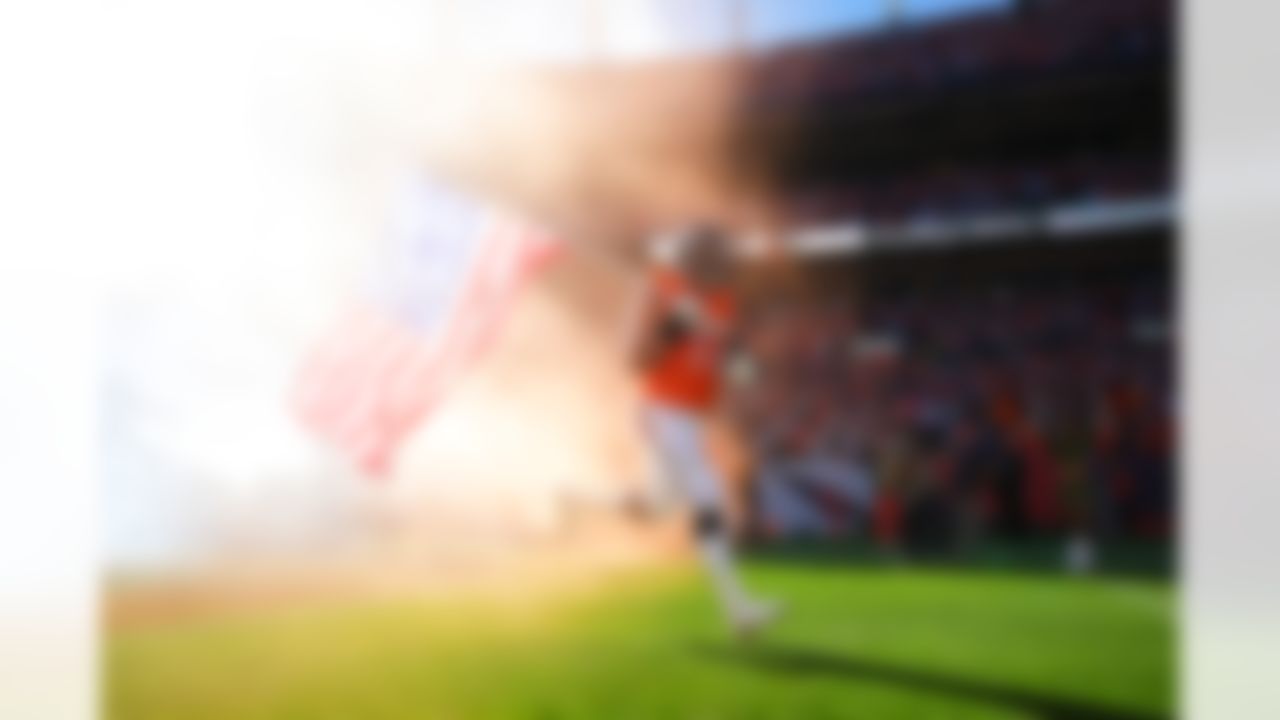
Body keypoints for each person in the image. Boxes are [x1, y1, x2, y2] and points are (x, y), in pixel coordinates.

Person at [626, 223, 780, 638]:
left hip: (691, 416)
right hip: (662, 410)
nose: (727, 265)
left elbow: (728, 358)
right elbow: (634, 361)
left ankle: (573, 501)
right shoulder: (661, 287)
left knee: (655, 507)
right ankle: (739, 609)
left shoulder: (723, 300)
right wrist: (673, 326)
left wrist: (744, 369)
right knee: (707, 500)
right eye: (718, 257)